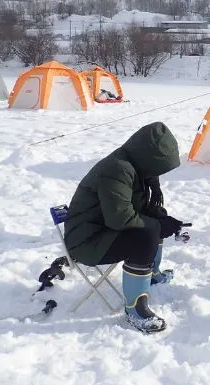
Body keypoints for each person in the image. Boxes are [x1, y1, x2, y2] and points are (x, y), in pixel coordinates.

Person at [63, 122, 184, 333]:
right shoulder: (118, 169)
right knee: (147, 234)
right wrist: (157, 225)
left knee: (155, 219)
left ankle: (151, 273)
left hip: (102, 230)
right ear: (148, 157)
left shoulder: (133, 164)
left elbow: (132, 208)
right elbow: (119, 219)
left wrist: (157, 216)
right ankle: (135, 310)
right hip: (87, 242)